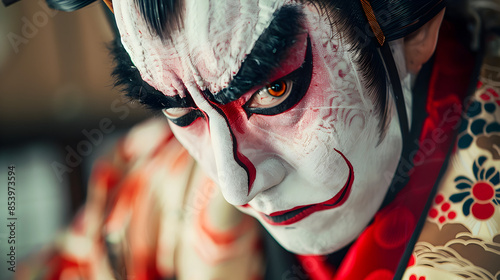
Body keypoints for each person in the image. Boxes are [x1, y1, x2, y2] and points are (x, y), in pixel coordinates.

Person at [12, 0, 500, 279]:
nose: (235, 185)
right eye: (182, 110)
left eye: (274, 90)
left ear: (411, 26)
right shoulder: (161, 187)